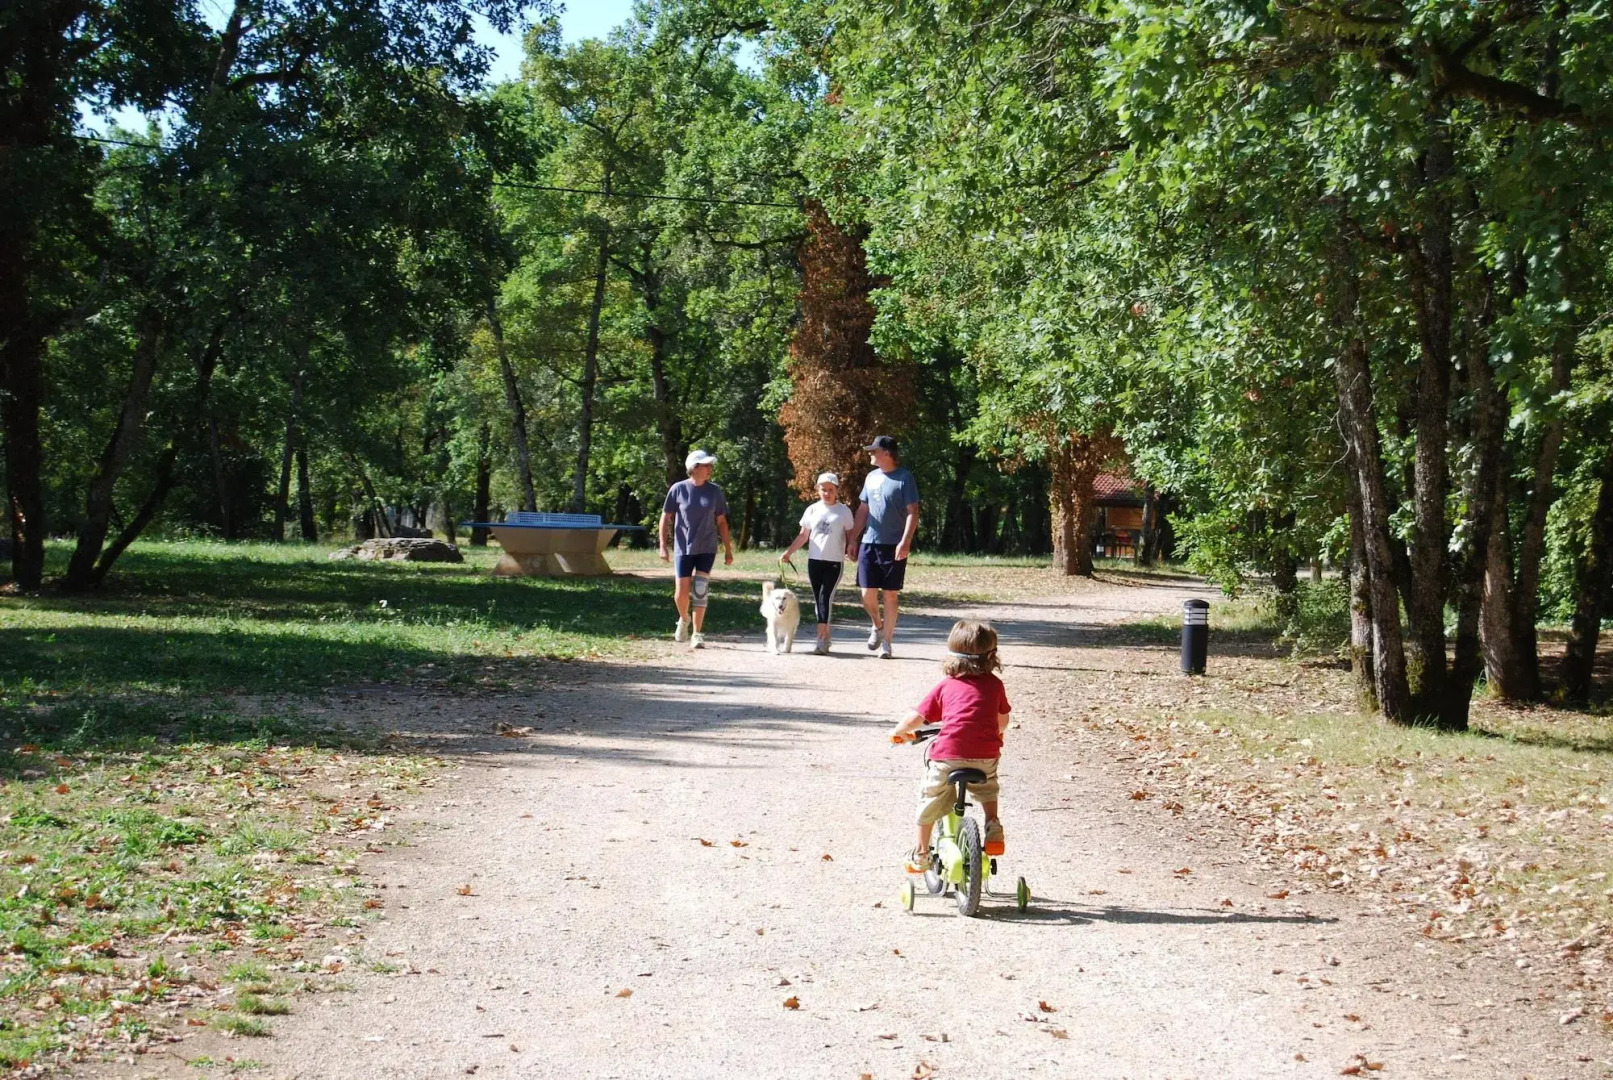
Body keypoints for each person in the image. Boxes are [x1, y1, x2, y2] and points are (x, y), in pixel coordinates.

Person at [889, 620, 1011, 873]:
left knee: (929, 798)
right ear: (992, 656)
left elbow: (917, 718)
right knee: (988, 788)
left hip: (948, 756)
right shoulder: (995, 685)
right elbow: (1003, 722)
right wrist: (994, 733)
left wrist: (897, 732)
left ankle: (921, 854)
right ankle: (993, 825)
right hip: (985, 756)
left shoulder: (947, 685)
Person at [846, 434, 920, 659]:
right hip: (869, 542)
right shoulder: (871, 477)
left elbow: (913, 512)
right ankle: (877, 625)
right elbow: (863, 510)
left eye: (874, 450)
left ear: (886, 453)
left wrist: (905, 541)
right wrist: (853, 539)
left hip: (893, 545)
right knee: (866, 593)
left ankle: (887, 642)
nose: (870, 454)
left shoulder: (904, 478)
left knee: (890, 595)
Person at [659, 449, 734, 649]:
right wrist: (663, 545)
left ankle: (697, 633)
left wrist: (728, 549)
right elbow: (665, 518)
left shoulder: (715, 491)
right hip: (683, 547)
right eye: (706, 465)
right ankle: (684, 619)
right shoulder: (678, 489)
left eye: (710, 465)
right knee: (681, 593)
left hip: (707, 547)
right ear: (694, 468)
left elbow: (722, 522)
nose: (710, 469)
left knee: (700, 590)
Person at [777, 472, 855, 655]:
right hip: (814, 561)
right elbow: (803, 535)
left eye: (830, 490)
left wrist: (852, 548)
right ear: (817, 490)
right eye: (823, 489)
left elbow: (851, 535)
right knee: (818, 599)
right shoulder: (812, 510)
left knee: (825, 597)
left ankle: (821, 639)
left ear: (837, 490)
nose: (827, 493)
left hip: (834, 562)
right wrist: (788, 552)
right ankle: (825, 635)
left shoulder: (844, 511)